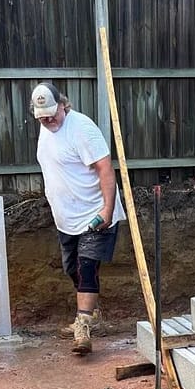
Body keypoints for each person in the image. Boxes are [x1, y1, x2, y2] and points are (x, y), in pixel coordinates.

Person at [31, 82, 126, 356]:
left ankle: (83, 325)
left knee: (87, 267)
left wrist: (107, 210)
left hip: (94, 213)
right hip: (66, 218)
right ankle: (89, 310)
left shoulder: (82, 129)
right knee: (72, 269)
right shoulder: (46, 127)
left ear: (64, 104)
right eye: (42, 116)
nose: (48, 120)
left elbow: (105, 169)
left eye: (52, 113)